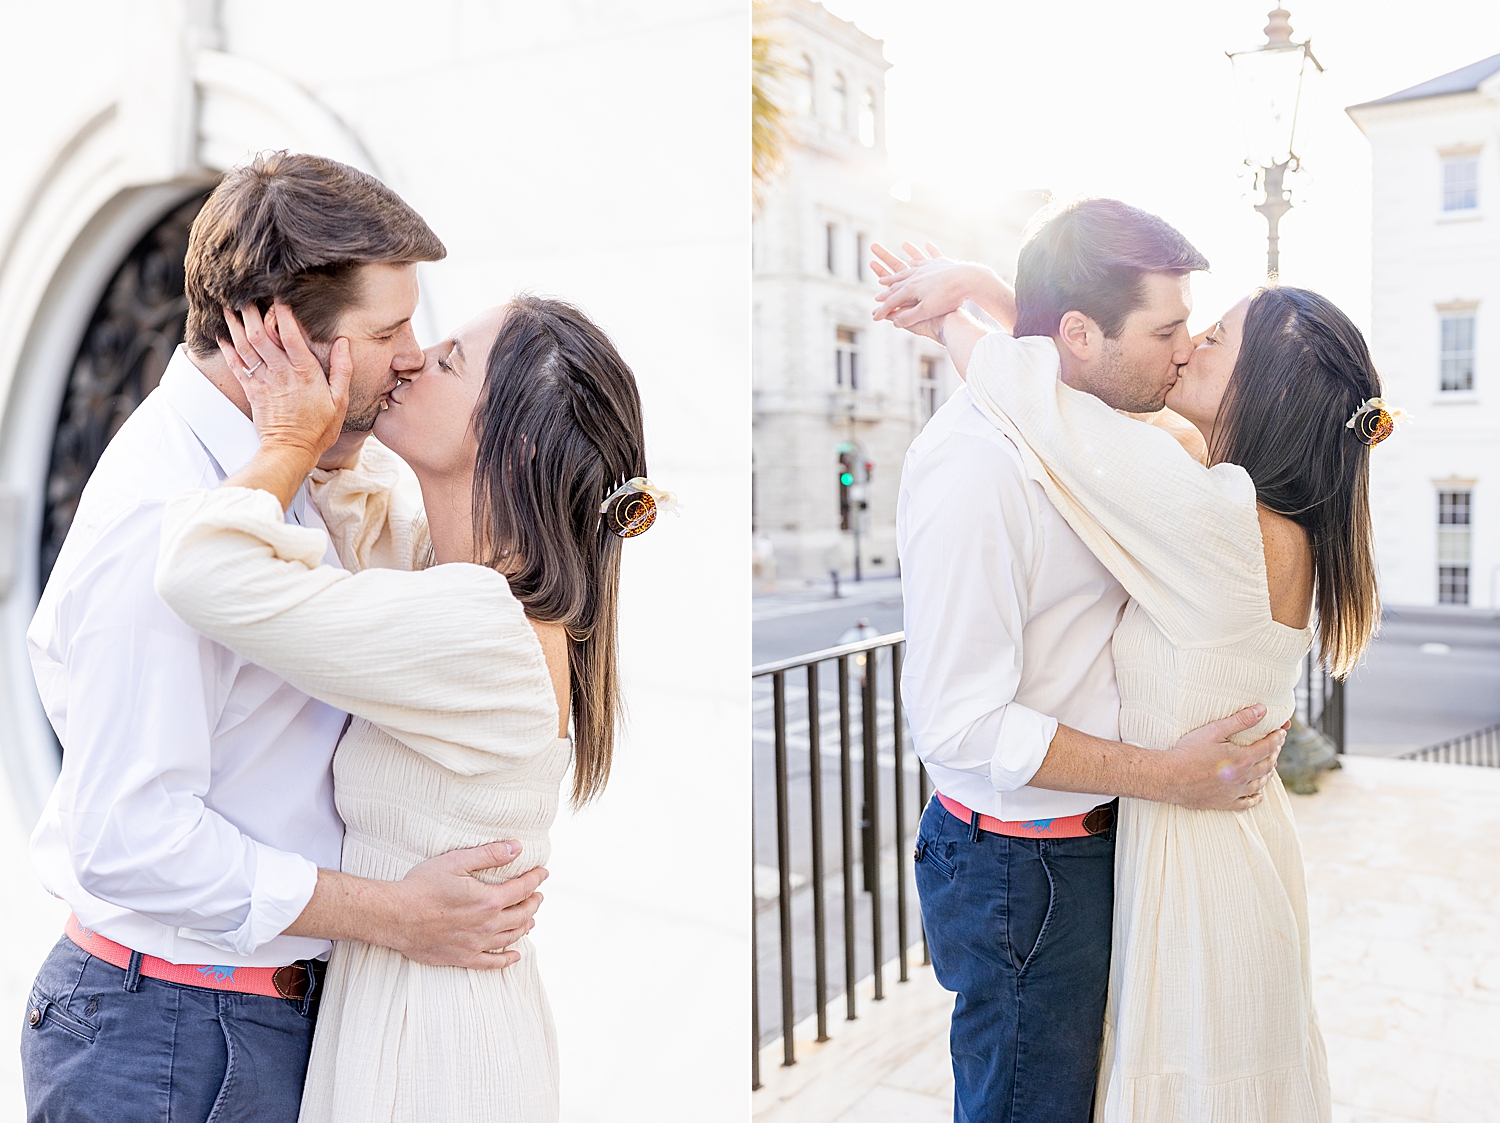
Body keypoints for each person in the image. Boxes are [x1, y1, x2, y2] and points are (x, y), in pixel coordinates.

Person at [22, 153, 545, 1122]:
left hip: (232, 1026)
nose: (412, 357)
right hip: (173, 1037)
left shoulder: (290, 472)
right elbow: (127, 838)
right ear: (270, 335)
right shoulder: (165, 515)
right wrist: (396, 915)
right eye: (388, 331)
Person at [880, 199, 1385, 1122]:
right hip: (1124, 859)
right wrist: (1009, 295)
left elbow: (1050, 405)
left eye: (1209, 336)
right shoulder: (1230, 501)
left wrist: (972, 307)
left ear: (1261, 393)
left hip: (1198, 874)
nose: (1187, 347)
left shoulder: (1220, 519)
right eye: (1177, 328)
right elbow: (1073, 412)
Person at [155, 292, 657, 1121]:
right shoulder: (456, 582)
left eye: (452, 360)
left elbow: (201, 570)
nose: (417, 358)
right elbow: (360, 511)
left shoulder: (482, 629)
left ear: (514, 443)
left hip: (432, 1053)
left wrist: (285, 439)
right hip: (419, 1015)